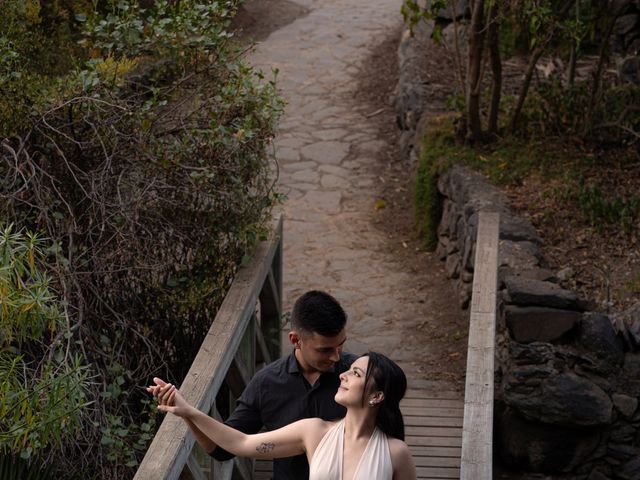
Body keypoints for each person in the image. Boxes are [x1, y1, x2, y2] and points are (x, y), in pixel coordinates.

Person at [172, 290, 358, 479]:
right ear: (295, 340)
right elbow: (222, 450)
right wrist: (187, 413)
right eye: (325, 350)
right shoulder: (266, 384)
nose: (336, 356)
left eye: (340, 345)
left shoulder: (361, 376)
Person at [148, 352, 417, 480]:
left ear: (377, 396)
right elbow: (241, 443)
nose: (343, 374)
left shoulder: (395, 452)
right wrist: (188, 411)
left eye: (356, 374)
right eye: (350, 370)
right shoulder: (314, 432)